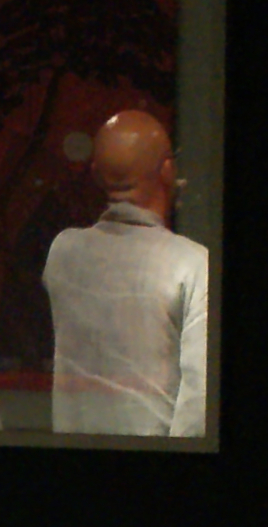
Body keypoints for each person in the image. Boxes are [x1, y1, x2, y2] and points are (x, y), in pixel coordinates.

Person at [43, 108, 211, 437]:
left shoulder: (63, 251)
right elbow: (198, 402)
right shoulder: (192, 263)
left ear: (95, 173)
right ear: (167, 169)